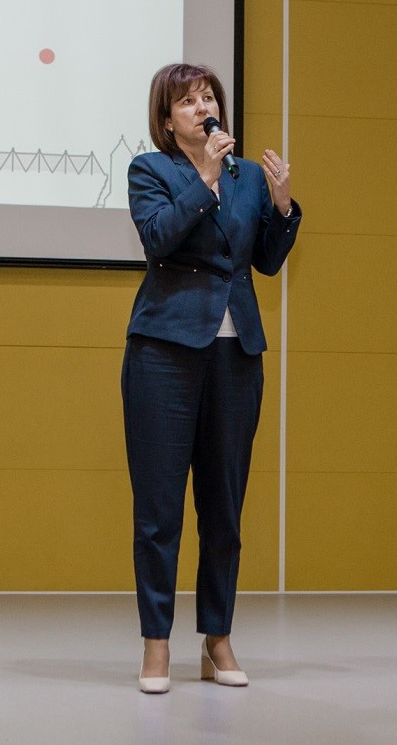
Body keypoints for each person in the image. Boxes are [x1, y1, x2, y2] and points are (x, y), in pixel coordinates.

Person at [122, 63, 301, 694]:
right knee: (159, 510)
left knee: (224, 507)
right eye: (188, 101)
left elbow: (266, 262)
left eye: (208, 97)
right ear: (167, 119)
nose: (203, 108)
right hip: (164, 353)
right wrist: (202, 177)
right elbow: (159, 238)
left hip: (236, 355)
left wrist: (282, 206)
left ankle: (217, 639)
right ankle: (156, 643)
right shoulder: (151, 170)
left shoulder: (246, 176)